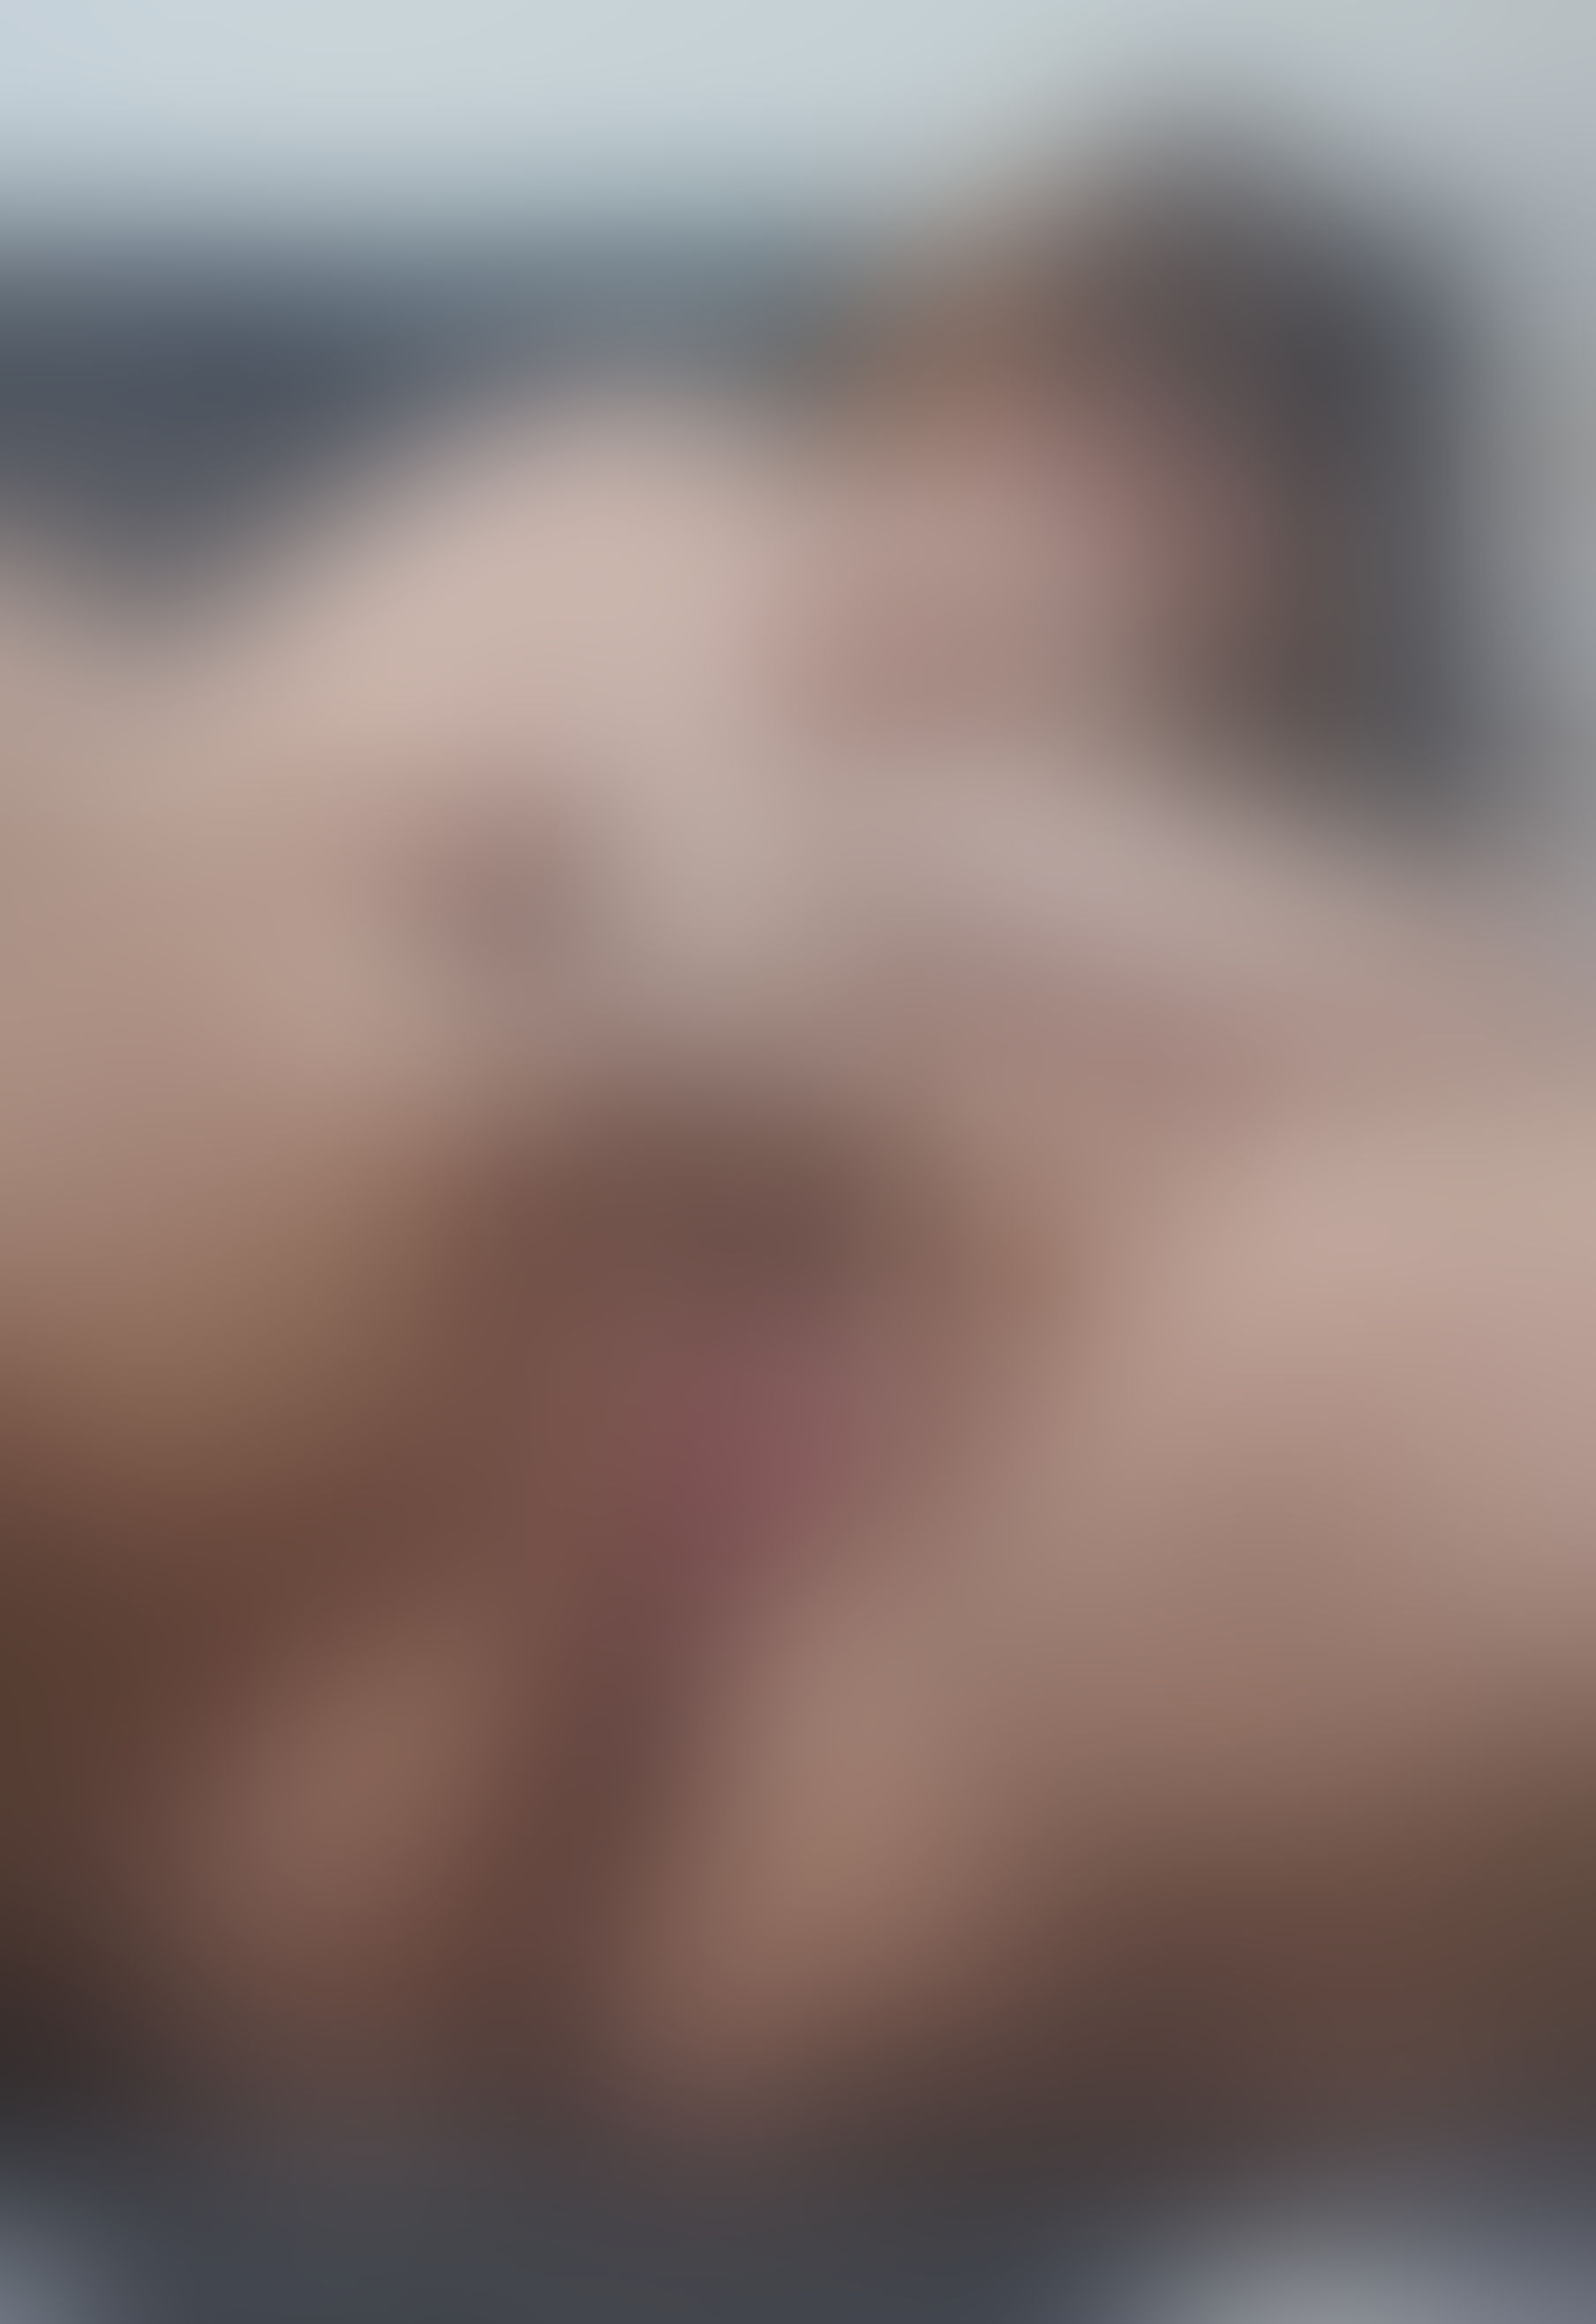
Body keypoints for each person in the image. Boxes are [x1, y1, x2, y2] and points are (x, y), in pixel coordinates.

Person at [4, 410, 1596, 2160]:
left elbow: (687, 575)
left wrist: (760, 903)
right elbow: (346, 1914)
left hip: (818, 1424)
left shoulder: (512, 588)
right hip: (738, 1670)